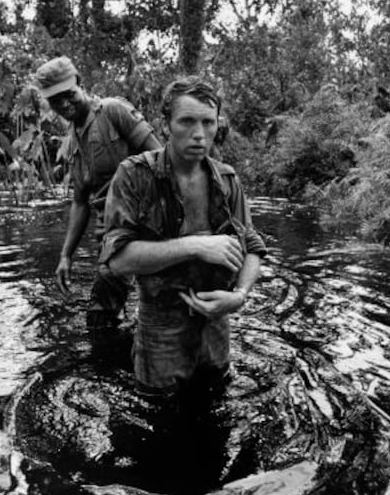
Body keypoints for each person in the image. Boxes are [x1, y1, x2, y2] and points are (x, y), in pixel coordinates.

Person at [99, 76, 266, 395]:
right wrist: (196, 245)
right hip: (160, 327)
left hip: (217, 325)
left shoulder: (227, 180)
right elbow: (117, 261)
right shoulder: (134, 176)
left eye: (208, 122)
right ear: (165, 126)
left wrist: (239, 297)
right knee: (157, 419)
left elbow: (254, 248)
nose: (199, 134)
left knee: (217, 408)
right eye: (187, 121)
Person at [34, 56, 160, 330]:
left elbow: (161, 160)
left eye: (68, 95)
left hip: (142, 221)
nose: (64, 105)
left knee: (105, 313)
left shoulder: (113, 112)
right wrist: (66, 255)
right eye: (55, 101)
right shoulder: (71, 144)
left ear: (79, 83)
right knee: (103, 320)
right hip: (110, 231)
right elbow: (80, 203)